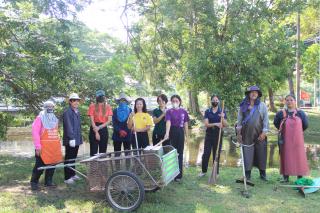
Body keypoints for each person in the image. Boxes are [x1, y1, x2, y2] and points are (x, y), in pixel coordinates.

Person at [273, 94, 309, 182]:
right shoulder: (281, 113)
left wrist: (297, 133)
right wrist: (283, 130)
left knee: (299, 157)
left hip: (298, 141)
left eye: (291, 100)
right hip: (285, 140)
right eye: (287, 100)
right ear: (285, 101)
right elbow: (276, 123)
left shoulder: (301, 113)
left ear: (295, 101)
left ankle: (299, 177)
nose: (289, 102)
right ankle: (286, 177)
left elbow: (305, 125)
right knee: (286, 156)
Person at [236, 86, 269, 181]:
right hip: (246, 134)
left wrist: (264, 132)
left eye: (256, 92)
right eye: (252, 92)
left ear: (258, 94)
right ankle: (247, 174)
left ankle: (263, 174)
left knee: (261, 153)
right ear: (248, 94)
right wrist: (239, 134)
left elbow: (266, 120)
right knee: (247, 153)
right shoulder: (243, 106)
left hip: (260, 134)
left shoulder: (262, 105)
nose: (254, 94)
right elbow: (239, 120)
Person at [30, 101, 62, 190]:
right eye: (48, 106)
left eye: (52, 106)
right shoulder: (40, 118)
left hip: (53, 147)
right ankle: (34, 182)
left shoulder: (54, 119)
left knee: (52, 165)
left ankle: (48, 182)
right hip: (42, 147)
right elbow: (35, 132)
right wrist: (37, 146)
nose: (50, 108)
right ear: (44, 107)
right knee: (39, 165)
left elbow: (56, 133)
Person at [199, 95, 228, 177]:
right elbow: (206, 124)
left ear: (218, 101)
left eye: (216, 100)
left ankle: (216, 172)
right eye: (213, 100)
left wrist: (222, 118)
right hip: (209, 135)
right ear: (211, 101)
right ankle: (203, 171)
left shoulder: (222, 111)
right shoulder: (207, 111)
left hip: (218, 135)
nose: (215, 101)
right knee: (206, 154)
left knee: (216, 154)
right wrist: (216, 124)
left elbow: (226, 125)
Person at [164, 95, 189, 182]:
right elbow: (168, 122)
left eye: (176, 101)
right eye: (173, 101)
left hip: (180, 132)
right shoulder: (169, 111)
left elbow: (186, 124)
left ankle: (179, 175)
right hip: (172, 132)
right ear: (171, 102)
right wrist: (167, 133)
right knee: (172, 153)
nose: (175, 102)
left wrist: (187, 136)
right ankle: (171, 174)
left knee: (180, 153)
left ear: (179, 101)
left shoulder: (184, 111)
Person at [63, 93, 83, 184]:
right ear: (70, 102)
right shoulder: (68, 112)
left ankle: (73, 174)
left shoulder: (77, 111)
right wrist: (71, 138)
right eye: (74, 100)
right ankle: (67, 178)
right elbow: (68, 126)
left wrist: (78, 139)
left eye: (77, 100)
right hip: (70, 139)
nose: (76, 102)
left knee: (73, 157)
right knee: (69, 158)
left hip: (77, 139)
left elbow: (78, 127)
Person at [87, 90, 113, 156]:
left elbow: (109, 120)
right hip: (94, 128)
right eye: (99, 96)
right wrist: (96, 132)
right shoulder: (92, 106)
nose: (101, 97)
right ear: (96, 97)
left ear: (104, 97)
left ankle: (102, 166)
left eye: (102, 96)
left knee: (103, 152)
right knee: (93, 152)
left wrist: (99, 127)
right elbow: (92, 120)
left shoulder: (108, 107)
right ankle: (93, 166)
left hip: (103, 128)